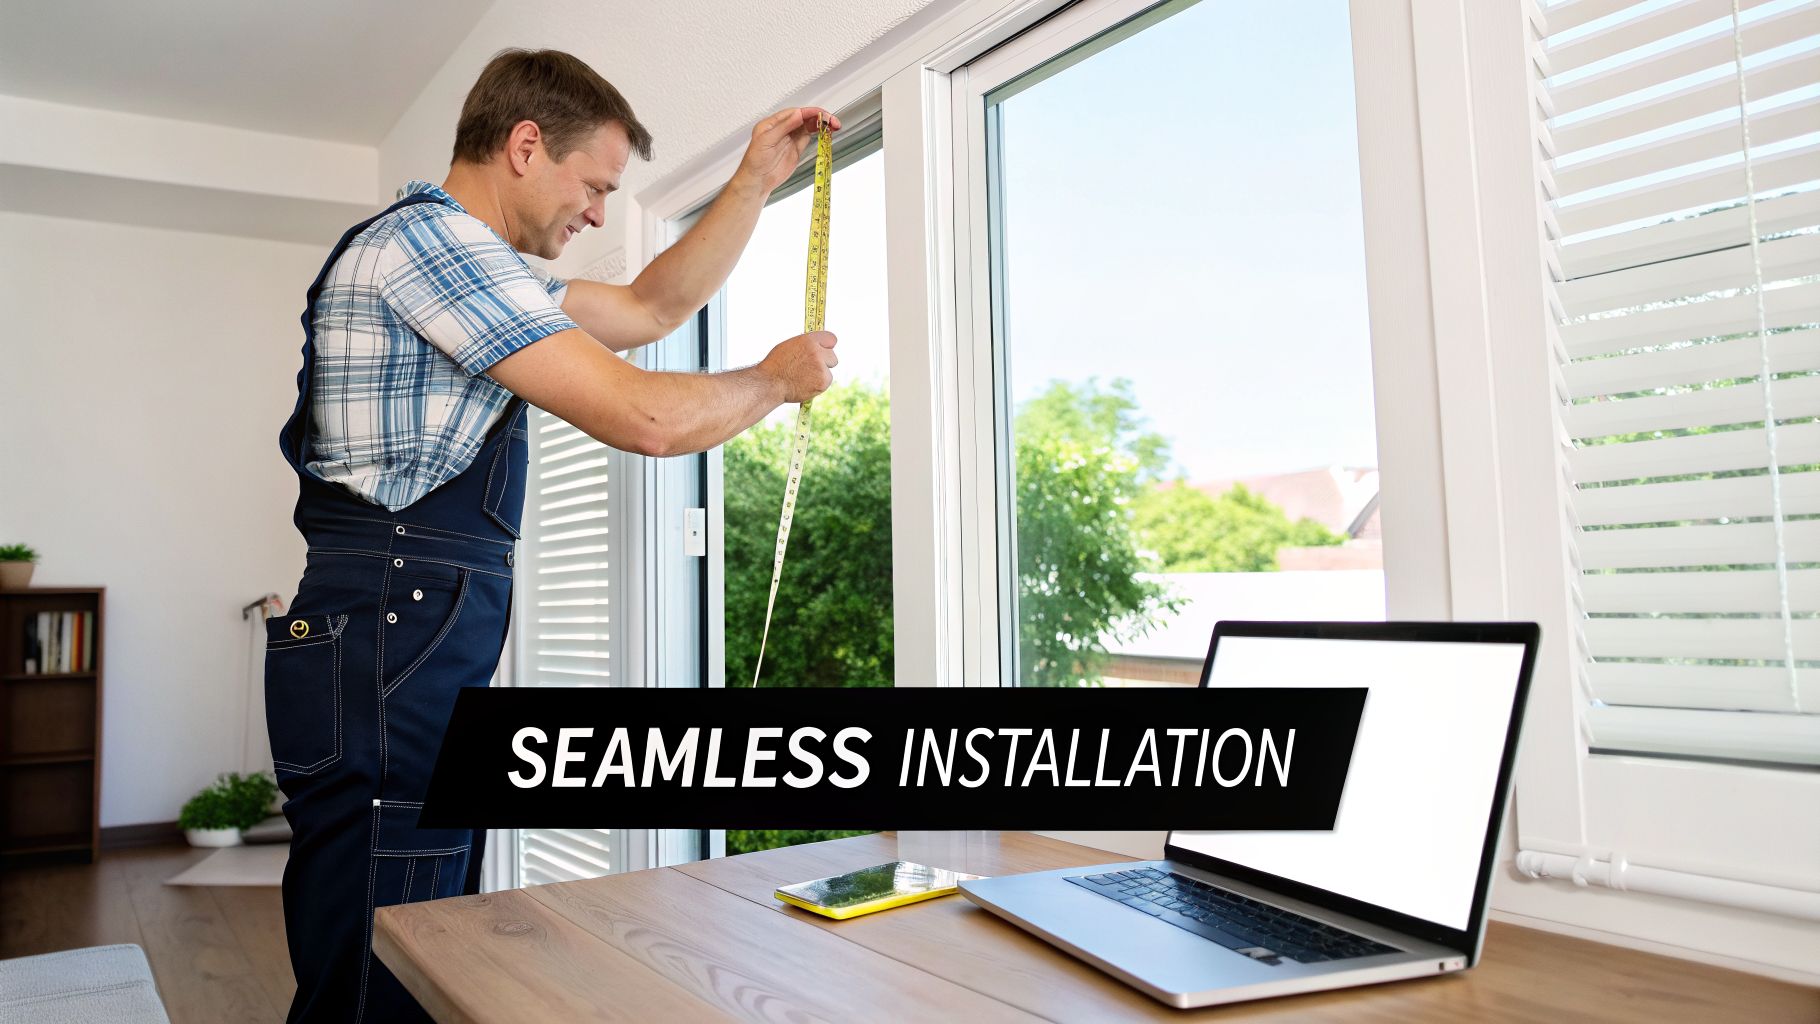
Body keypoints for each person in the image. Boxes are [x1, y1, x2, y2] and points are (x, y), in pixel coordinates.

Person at [264, 47, 839, 1022]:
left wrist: (750, 183)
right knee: (379, 952)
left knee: (411, 926)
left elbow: (651, 308)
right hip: (391, 633)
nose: (598, 215)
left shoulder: (477, 269)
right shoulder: (433, 247)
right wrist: (773, 381)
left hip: (404, 631)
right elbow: (645, 416)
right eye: (596, 186)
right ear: (526, 146)